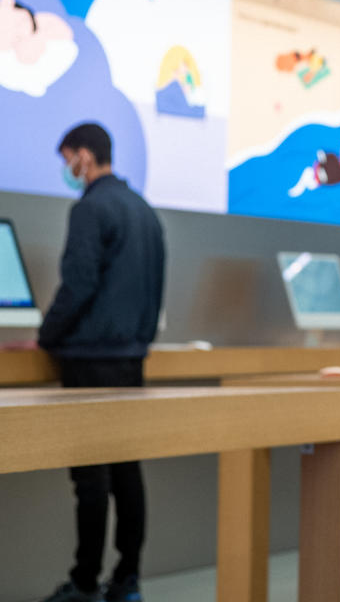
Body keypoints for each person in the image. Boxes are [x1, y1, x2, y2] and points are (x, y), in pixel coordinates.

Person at [37, 123, 166, 602]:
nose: (68, 169)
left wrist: (44, 337)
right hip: (132, 359)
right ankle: (127, 579)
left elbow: (79, 285)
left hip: (89, 362)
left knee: (91, 479)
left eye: (68, 158)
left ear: (85, 157)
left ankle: (84, 582)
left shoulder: (91, 209)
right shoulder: (145, 212)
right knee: (126, 471)